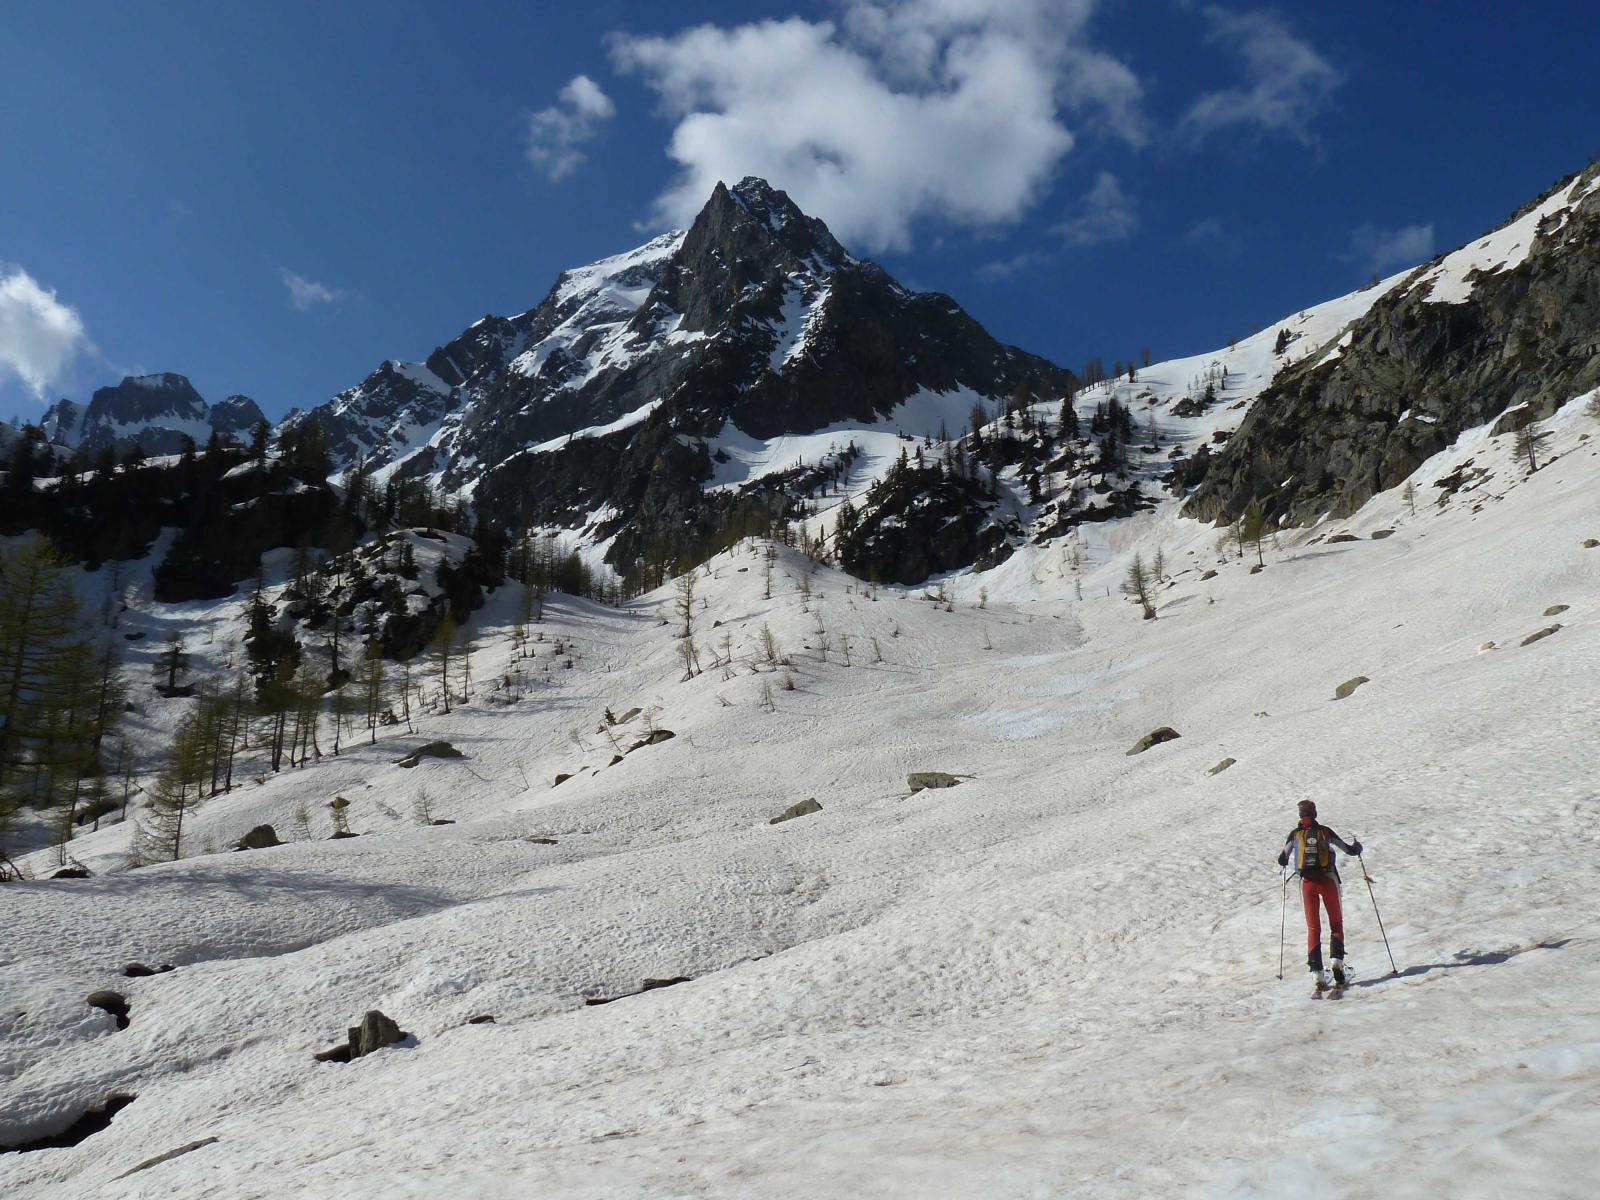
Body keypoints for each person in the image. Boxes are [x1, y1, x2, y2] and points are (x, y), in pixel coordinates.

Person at [1277, 800, 1362, 990]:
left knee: (1313, 928)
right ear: (1315, 814)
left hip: (1307, 884)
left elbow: (1282, 859)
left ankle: (1317, 974)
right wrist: (1358, 847)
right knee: (1336, 923)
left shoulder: (1295, 834)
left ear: (1300, 816)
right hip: (1328, 880)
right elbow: (1349, 850)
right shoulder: (1325, 831)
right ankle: (1336, 962)